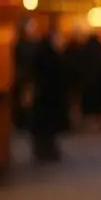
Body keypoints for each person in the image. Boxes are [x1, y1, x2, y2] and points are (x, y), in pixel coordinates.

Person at [29, 31, 65, 162]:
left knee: (41, 128)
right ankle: (49, 151)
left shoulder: (38, 57)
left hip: (41, 98)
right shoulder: (54, 57)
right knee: (50, 128)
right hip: (51, 98)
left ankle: (40, 151)